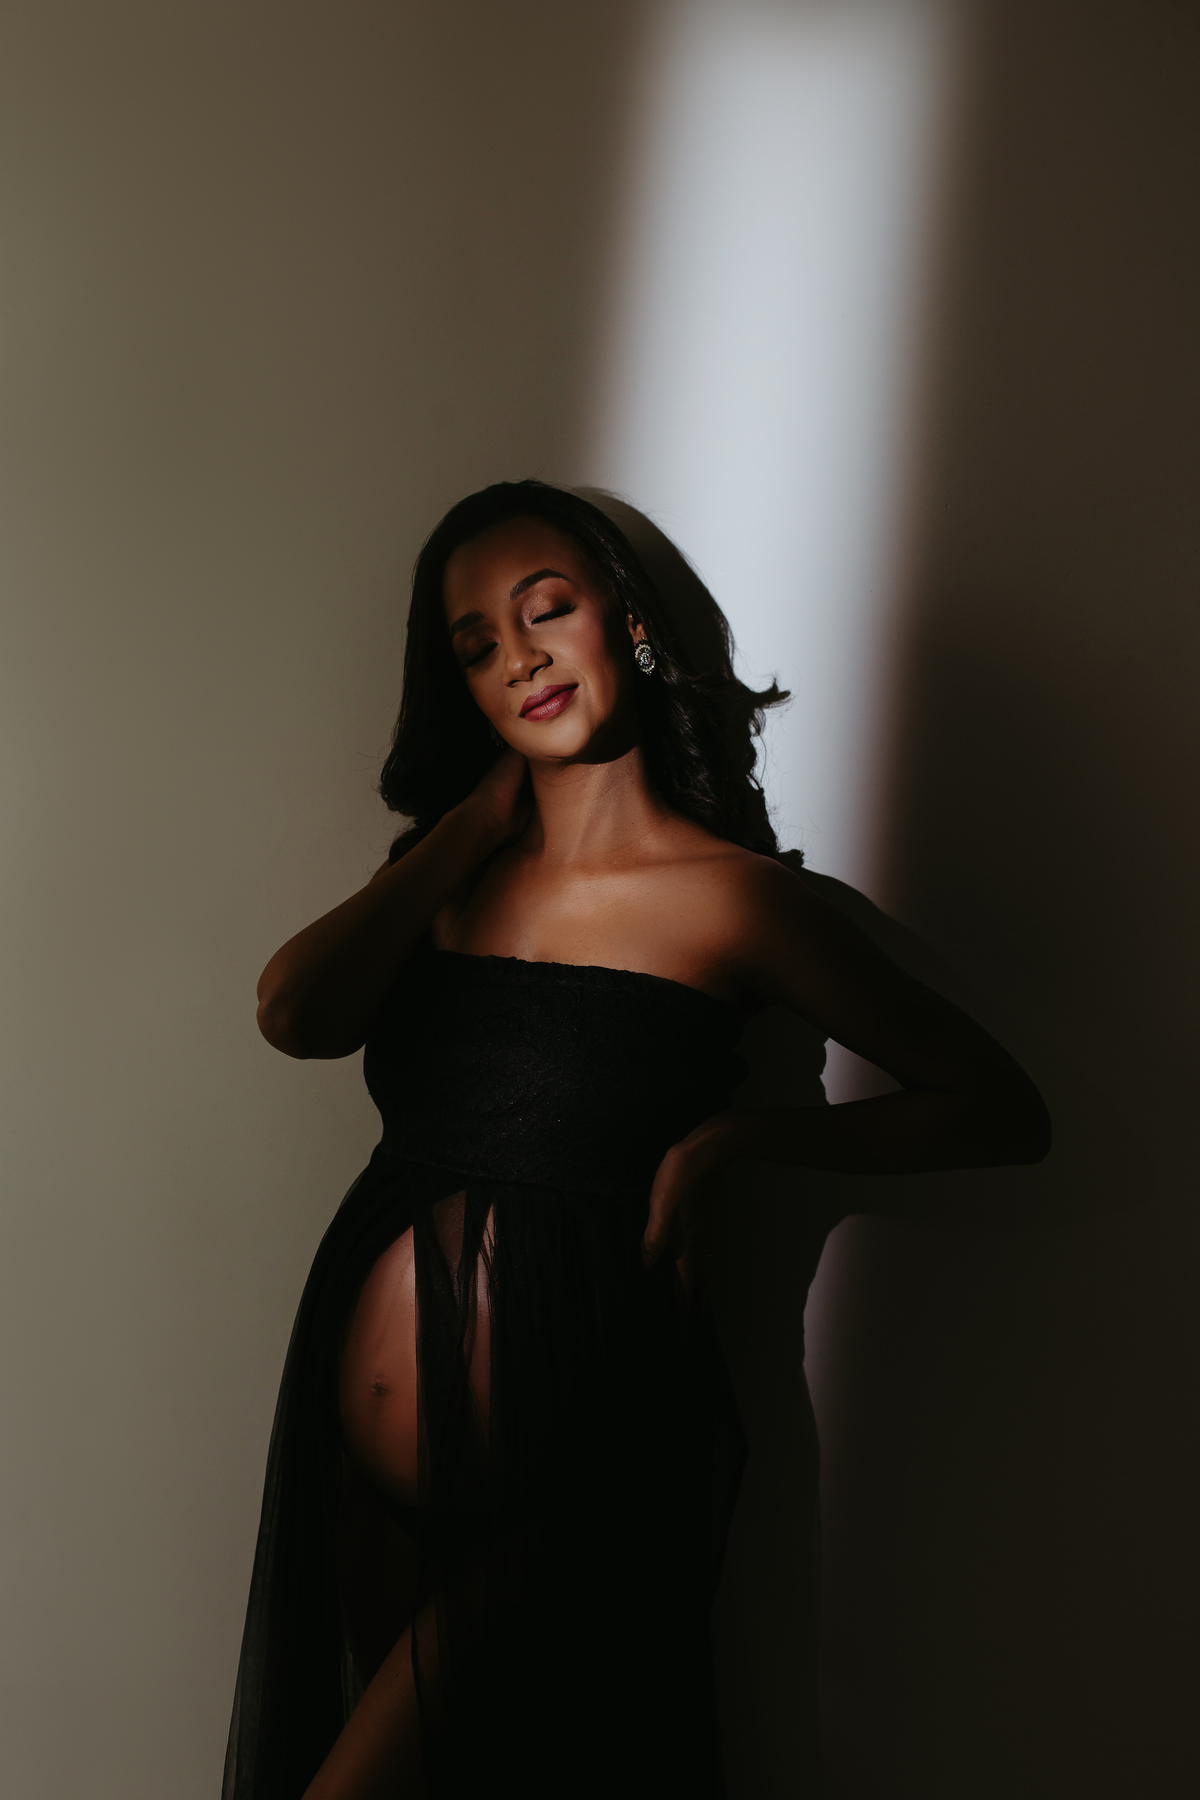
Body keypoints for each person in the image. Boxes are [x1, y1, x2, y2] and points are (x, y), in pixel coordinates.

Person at [223, 480, 1050, 1800]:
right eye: (477, 646)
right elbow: (293, 1012)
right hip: (357, 1464)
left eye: (546, 609)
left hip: (578, 1448)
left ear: (632, 626)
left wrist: (740, 1142)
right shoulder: (446, 882)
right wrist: (469, 827)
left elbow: (997, 1107)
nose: (521, 657)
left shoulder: (737, 902)